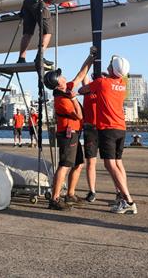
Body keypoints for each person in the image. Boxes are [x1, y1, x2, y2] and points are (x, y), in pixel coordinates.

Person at [79, 54, 137, 214]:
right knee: (118, 163)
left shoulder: (101, 83)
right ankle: (120, 195)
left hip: (108, 128)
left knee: (109, 164)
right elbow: (119, 72)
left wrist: (92, 60)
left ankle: (128, 200)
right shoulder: (123, 84)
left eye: (110, 65)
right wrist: (115, 61)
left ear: (111, 69)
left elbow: (81, 89)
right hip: (121, 127)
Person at [42, 49, 94, 211]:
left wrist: (91, 57)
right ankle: (55, 198)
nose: (64, 76)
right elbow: (79, 115)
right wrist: (73, 98)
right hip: (67, 134)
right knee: (64, 165)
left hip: (74, 134)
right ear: (58, 82)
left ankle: (70, 194)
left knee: (78, 164)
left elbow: (81, 74)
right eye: (61, 76)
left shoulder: (67, 89)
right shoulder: (61, 100)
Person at [80, 75, 99, 203]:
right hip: (89, 129)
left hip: (103, 128)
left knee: (112, 162)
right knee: (91, 162)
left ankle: (118, 192)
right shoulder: (87, 90)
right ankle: (92, 191)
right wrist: (91, 57)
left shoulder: (104, 89)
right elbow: (84, 76)